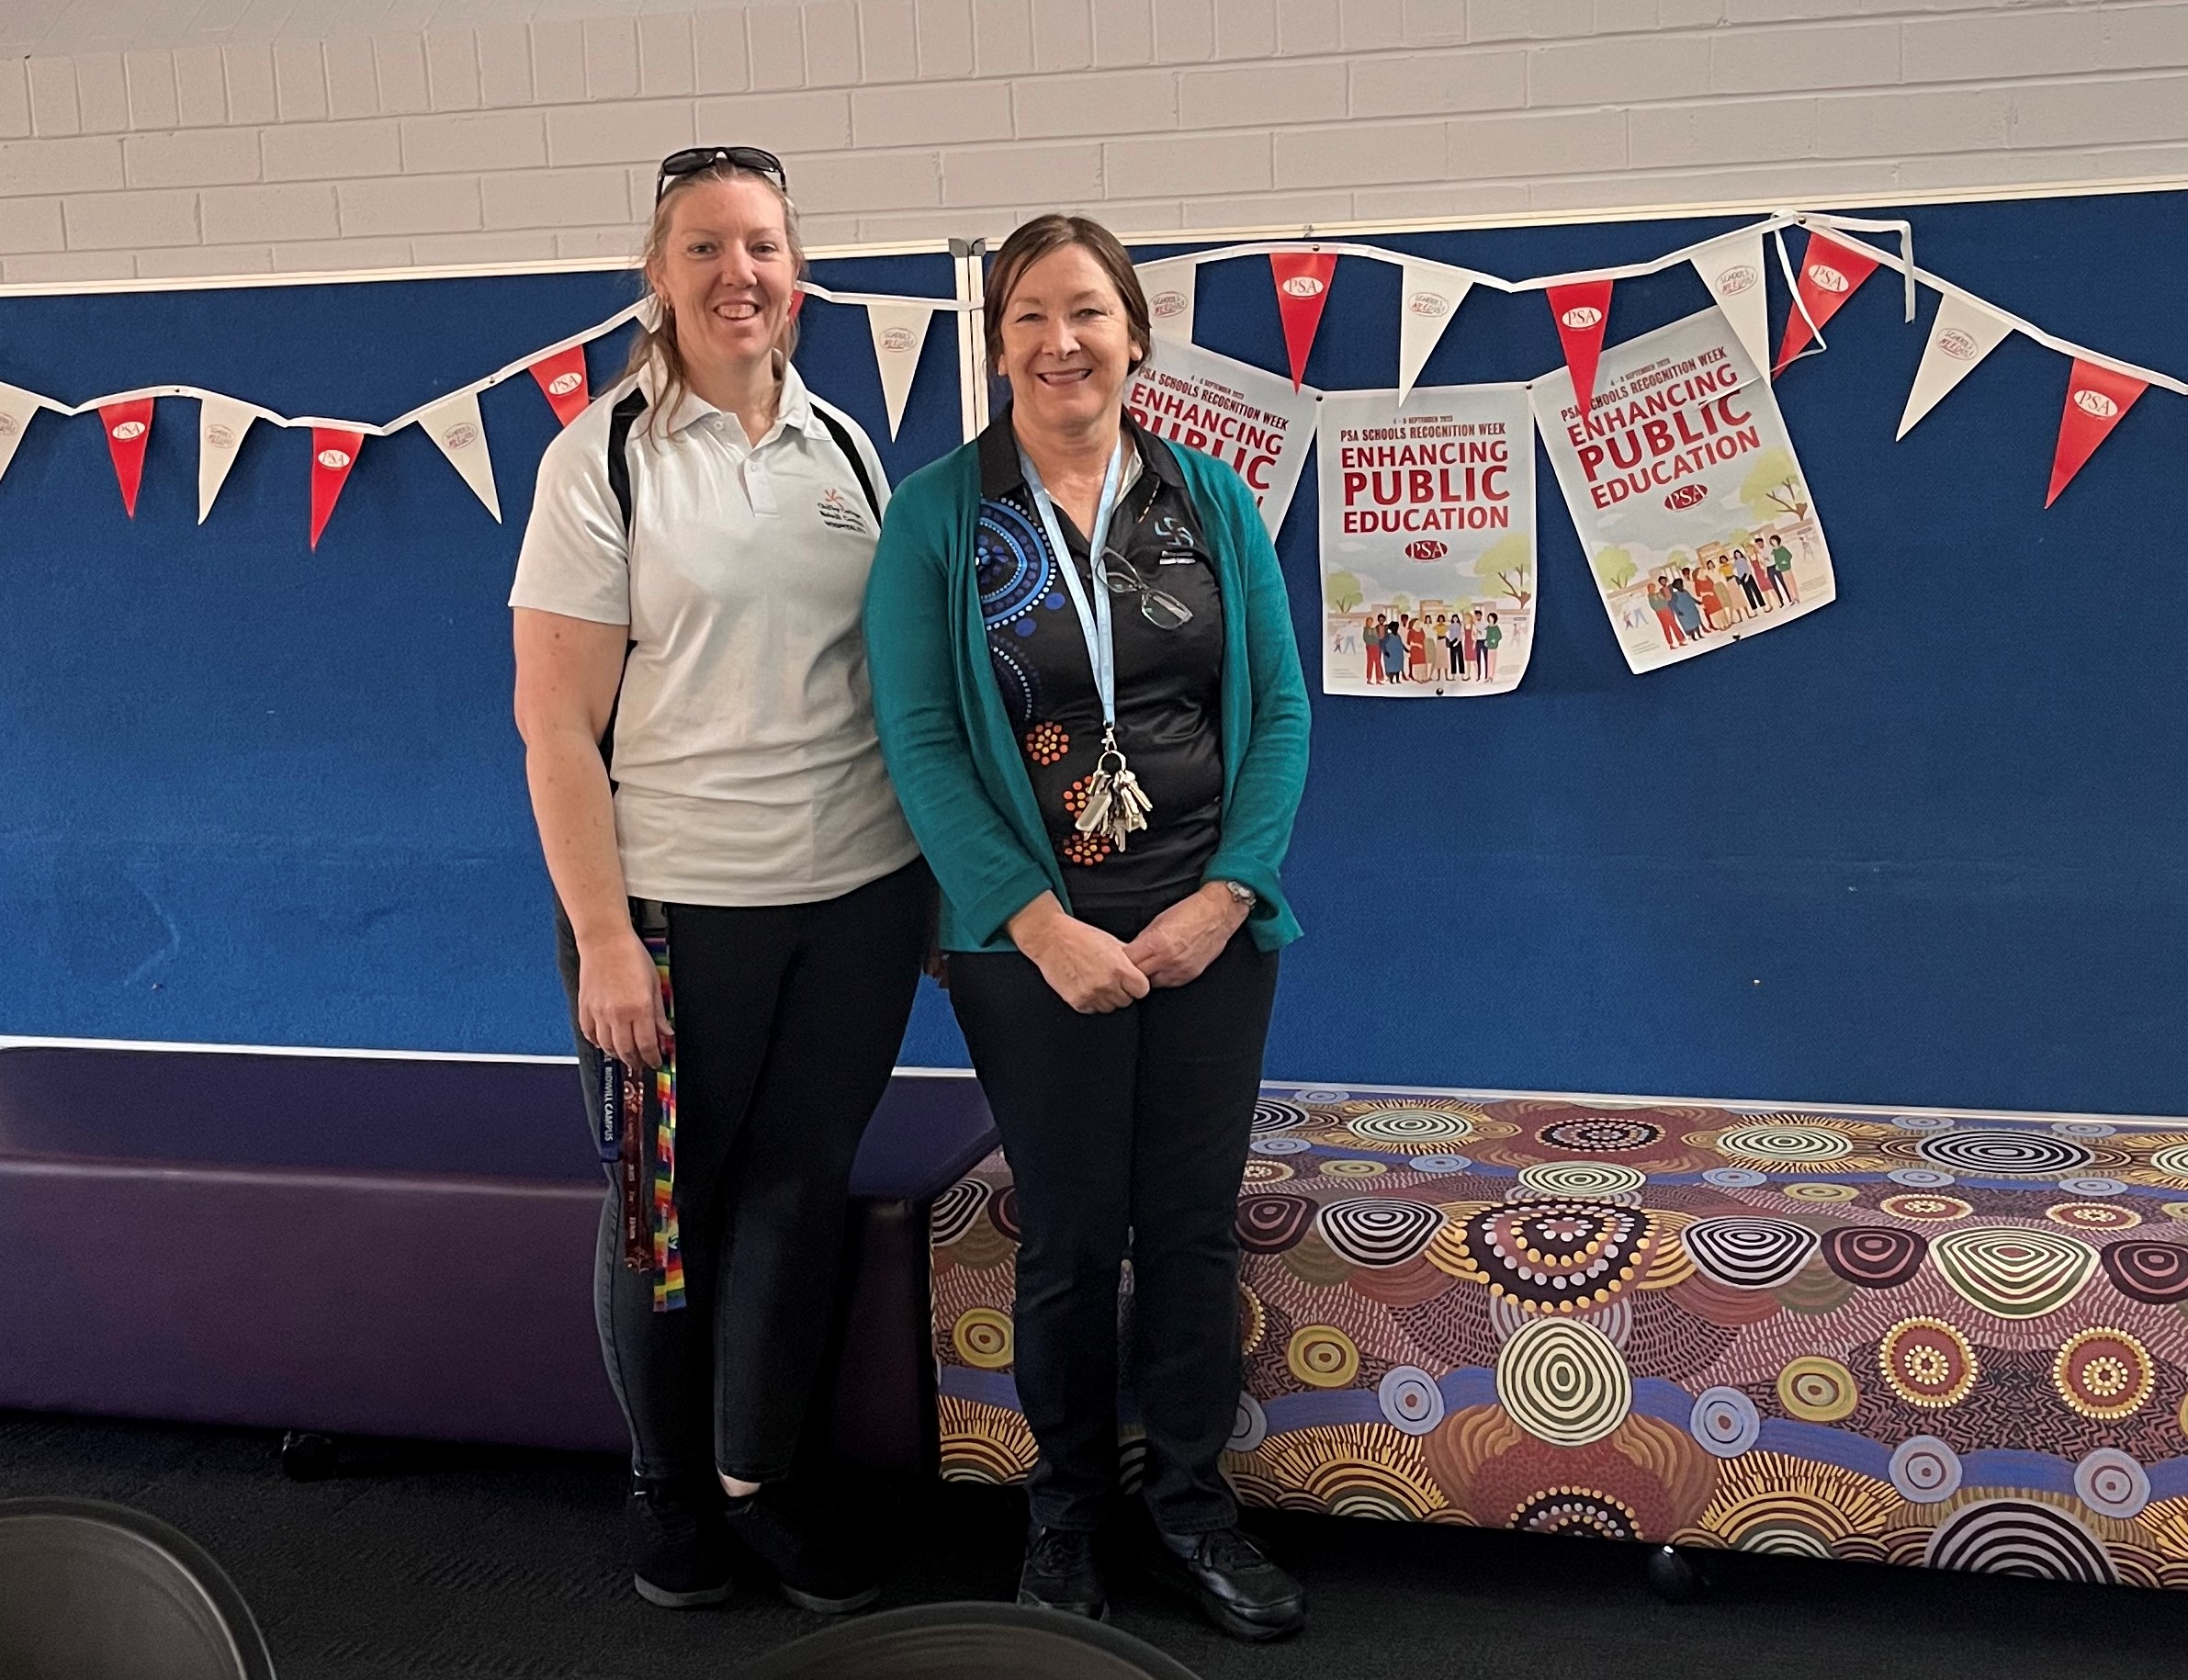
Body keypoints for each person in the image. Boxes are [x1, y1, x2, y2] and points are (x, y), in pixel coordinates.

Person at [863, 213, 1311, 1641]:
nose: (1062, 342)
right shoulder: (938, 515)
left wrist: (1225, 896)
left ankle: (1191, 1510)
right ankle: (1062, 1519)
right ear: (996, 344)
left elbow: (1279, 713)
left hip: (1205, 932)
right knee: (1065, 1236)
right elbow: (921, 739)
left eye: (1088, 313)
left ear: (1135, 334)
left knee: (1187, 1229)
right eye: (1029, 317)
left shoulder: (1209, 498)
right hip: (1029, 947)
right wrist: (1037, 925)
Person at [509, 145, 928, 1618]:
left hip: (857, 900)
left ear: (797, 272)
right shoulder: (602, 456)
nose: (736, 272)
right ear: (658, 275)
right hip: (675, 911)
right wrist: (602, 938)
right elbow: (554, 724)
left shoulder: (845, 449)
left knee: (799, 1192)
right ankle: (666, 1489)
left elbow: (887, 687)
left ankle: (764, 1481)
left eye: (760, 245)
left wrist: (938, 887)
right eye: (703, 246)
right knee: (662, 1210)